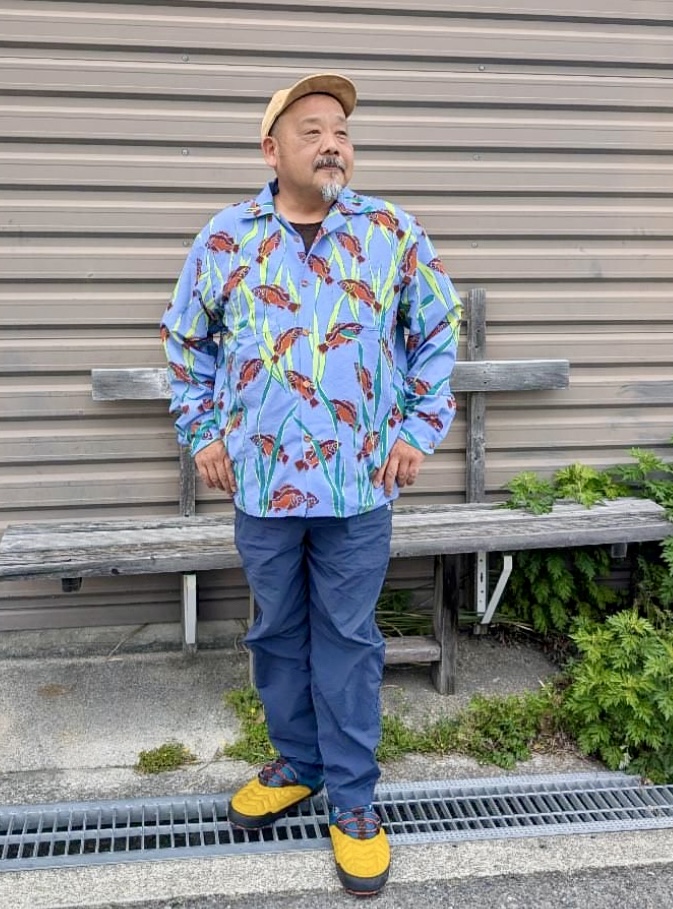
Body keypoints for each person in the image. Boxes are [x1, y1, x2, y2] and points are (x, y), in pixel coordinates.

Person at [161, 72, 462, 897]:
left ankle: (354, 798)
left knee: (348, 638)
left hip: (356, 486)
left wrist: (417, 430)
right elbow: (186, 344)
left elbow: (437, 331)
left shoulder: (390, 233)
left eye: (341, 132)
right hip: (262, 485)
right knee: (275, 633)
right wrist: (201, 432)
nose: (332, 144)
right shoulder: (225, 238)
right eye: (312, 131)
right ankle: (298, 762)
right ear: (271, 149)